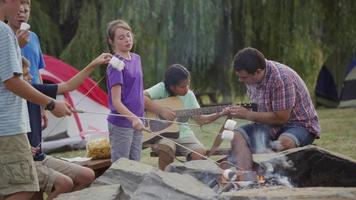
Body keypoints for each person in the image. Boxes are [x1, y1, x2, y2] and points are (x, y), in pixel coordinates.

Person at [0, 1, 71, 199]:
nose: (22, 8)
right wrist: (50, 103)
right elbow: (12, 81)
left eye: (27, 5)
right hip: (8, 127)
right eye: (20, 1)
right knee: (24, 188)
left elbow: (32, 75)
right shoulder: (4, 32)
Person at [22, 53, 112, 200]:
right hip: (24, 161)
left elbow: (68, 86)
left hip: (40, 157)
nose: (31, 77)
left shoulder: (33, 89)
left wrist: (94, 63)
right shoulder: (10, 102)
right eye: (26, 75)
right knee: (65, 184)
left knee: (88, 175)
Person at [227, 47, 320, 179]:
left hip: (298, 124)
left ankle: (285, 179)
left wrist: (247, 114)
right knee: (236, 136)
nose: (241, 80)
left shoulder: (281, 78)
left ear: (258, 72)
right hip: (269, 126)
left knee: (284, 144)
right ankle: (247, 178)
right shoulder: (252, 77)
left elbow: (281, 118)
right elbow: (260, 110)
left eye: (244, 77)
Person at [144, 64, 227, 170]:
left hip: (184, 134)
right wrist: (161, 110)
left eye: (188, 84)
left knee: (200, 154)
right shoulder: (161, 88)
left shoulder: (189, 95)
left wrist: (219, 113)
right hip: (162, 135)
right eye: (183, 86)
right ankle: (164, 178)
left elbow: (201, 120)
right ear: (172, 86)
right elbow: (141, 97)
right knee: (167, 149)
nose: (187, 89)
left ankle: (188, 179)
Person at [106, 19, 145, 162]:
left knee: (136, 166)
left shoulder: (136, 59)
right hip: (122, 124)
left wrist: (140, 117)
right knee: (121, 168)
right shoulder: (115, 65)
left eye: (128, 35)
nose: (127, 40)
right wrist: (133, 118)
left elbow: (137, 90)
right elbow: (116, 102)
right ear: (112, 41)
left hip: (138, 120)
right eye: (121, 38)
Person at [7, 0, 50, 130]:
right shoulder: (4, 36)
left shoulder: (34, 37)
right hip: (15, 99)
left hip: (35, 97)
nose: (22, 15)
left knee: (36, 144)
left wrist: (44, 106)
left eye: (25, 11)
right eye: (19, 11)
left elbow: (37, 72)